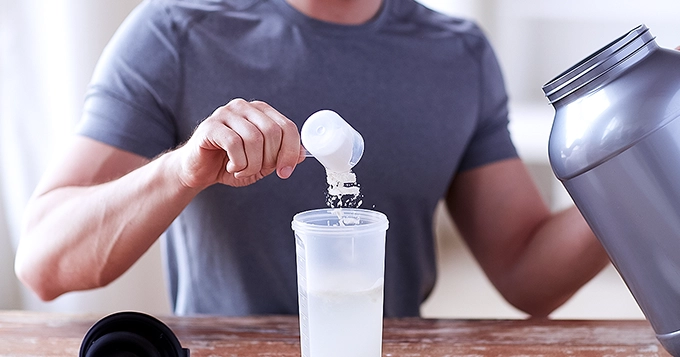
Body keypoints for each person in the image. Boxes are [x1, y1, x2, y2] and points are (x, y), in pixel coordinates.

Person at [14, 0, 609, 317]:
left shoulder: (459, 54)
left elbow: (528, 273)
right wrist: (182, 169)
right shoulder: (177, 32)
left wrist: (639, 166)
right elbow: (44, 262)